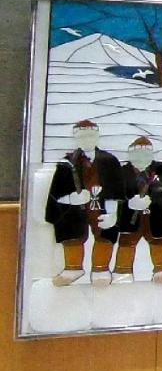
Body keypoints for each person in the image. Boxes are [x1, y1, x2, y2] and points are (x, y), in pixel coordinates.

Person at [46, 119, 124, 286]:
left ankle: (101, 268)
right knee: (70, 229)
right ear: (76, 138)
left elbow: (117, 190)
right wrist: (70, 199)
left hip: (102, 206)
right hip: (76, 210)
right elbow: (56, 192)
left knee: (106, 231)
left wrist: (113, 212)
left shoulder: (110, 161)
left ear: (97, 136)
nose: (87, 140)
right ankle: (73, 267)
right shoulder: (66, 163)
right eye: (82, 136)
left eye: (90, 135)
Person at [113, 137, 162, 284]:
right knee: (126, 242)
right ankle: (122, 271)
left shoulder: (159, 170)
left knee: (159, 241)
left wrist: (155, 198)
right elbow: (114, 192)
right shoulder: (122, 172)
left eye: (146, 152)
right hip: (129, 216)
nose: (141, 155)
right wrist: (129, 201)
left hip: (155, 216)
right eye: (137, 151)